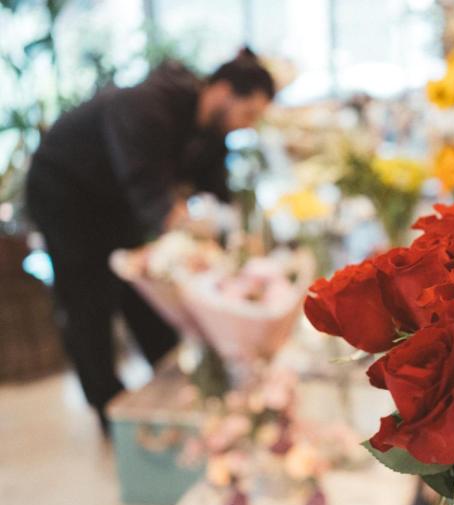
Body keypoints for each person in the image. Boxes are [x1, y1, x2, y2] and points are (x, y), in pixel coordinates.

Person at [26, 49, 275, 435]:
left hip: (117, 200)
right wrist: (191, 244)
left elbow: (218, 195)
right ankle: (110, 411)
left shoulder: (212, 131)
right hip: (65, 193)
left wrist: (235, 247)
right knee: (90, 301)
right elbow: (149, 190)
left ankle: (172, 383)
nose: (248, 125)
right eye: (248, 113)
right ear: (224, 92)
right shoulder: (147, 104)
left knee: (143, 289)